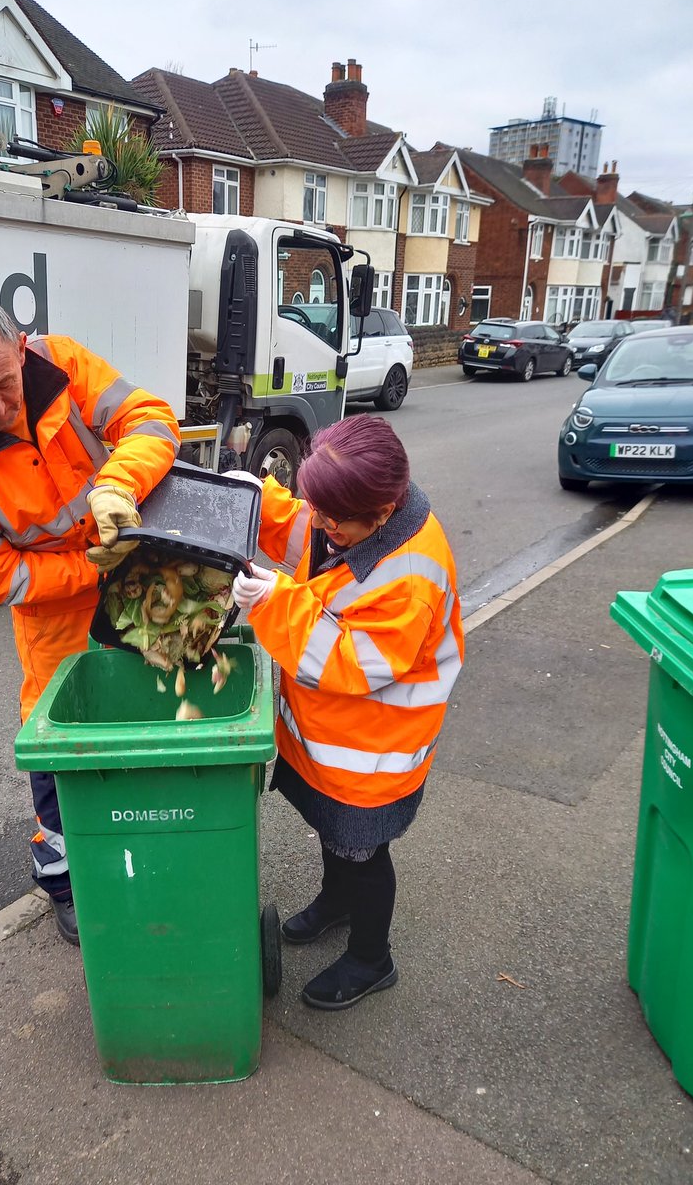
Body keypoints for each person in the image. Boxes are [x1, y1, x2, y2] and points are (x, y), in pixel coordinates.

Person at [0, 289, 180, 945]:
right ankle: (63, 883)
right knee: (61, 744)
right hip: (58, 611)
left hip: (137, 578)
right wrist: (92, 568)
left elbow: (151, 420)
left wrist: (118, 484)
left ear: (22, 346)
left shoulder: (63, 364)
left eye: (4, 382)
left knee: (159, 709)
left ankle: (156, 843)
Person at [230, 414, 463, 1010]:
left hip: (374, 750)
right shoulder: (353, 516)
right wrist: (255, 501)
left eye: (333, 518)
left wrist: (273, 603)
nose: (321, 525)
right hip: (334, 736)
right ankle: (336, 904)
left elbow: (352, 662)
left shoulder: (409, 574)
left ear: (381, 514)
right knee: (334, 834)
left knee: (363, 853)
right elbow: (306, 535)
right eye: (318, 507)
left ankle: (371, 958)